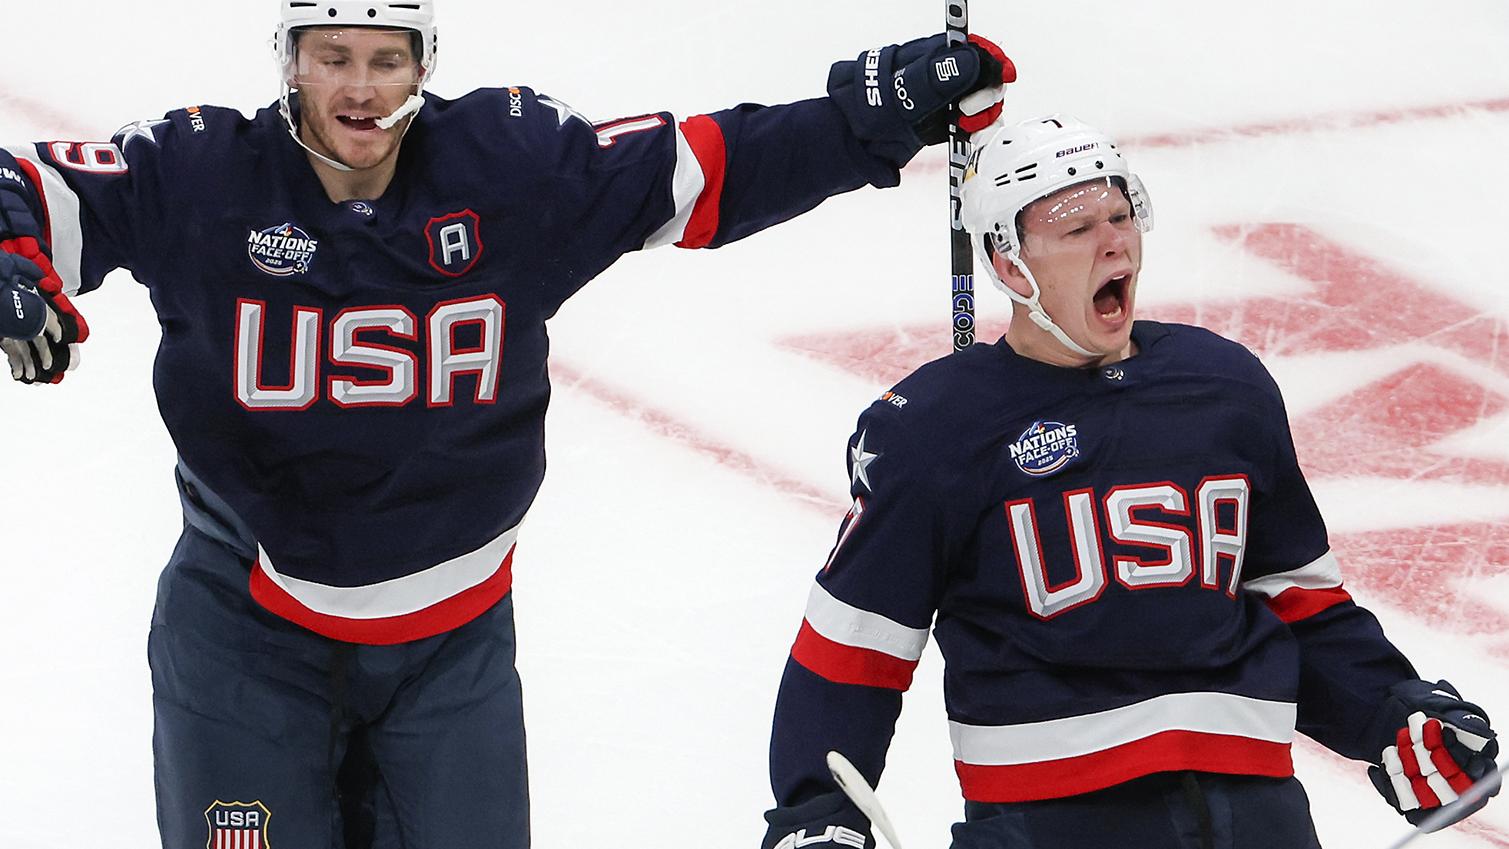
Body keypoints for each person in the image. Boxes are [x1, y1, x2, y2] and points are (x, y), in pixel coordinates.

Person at [0, 3, 1017, 847]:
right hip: (244, 646)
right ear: (289, 64)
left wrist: (868, 115)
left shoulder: (507, 168)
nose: (360, 89)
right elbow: (22, 187)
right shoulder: (201, 173)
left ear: (424, 65)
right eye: (334, 59)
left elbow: (709, 169)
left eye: (386, 61)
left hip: (453, 656)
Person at [760, 114, 1501, 849]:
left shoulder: (1222, 385)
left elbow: (1295, 602)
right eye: (1076, 227)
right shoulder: (931, 428)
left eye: (1120, 214)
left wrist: (1392, 713)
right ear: (1010, 263)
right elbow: (855, 645)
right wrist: (817, 809)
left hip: (1255, 816)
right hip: (1047, 824)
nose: (1112, 239)